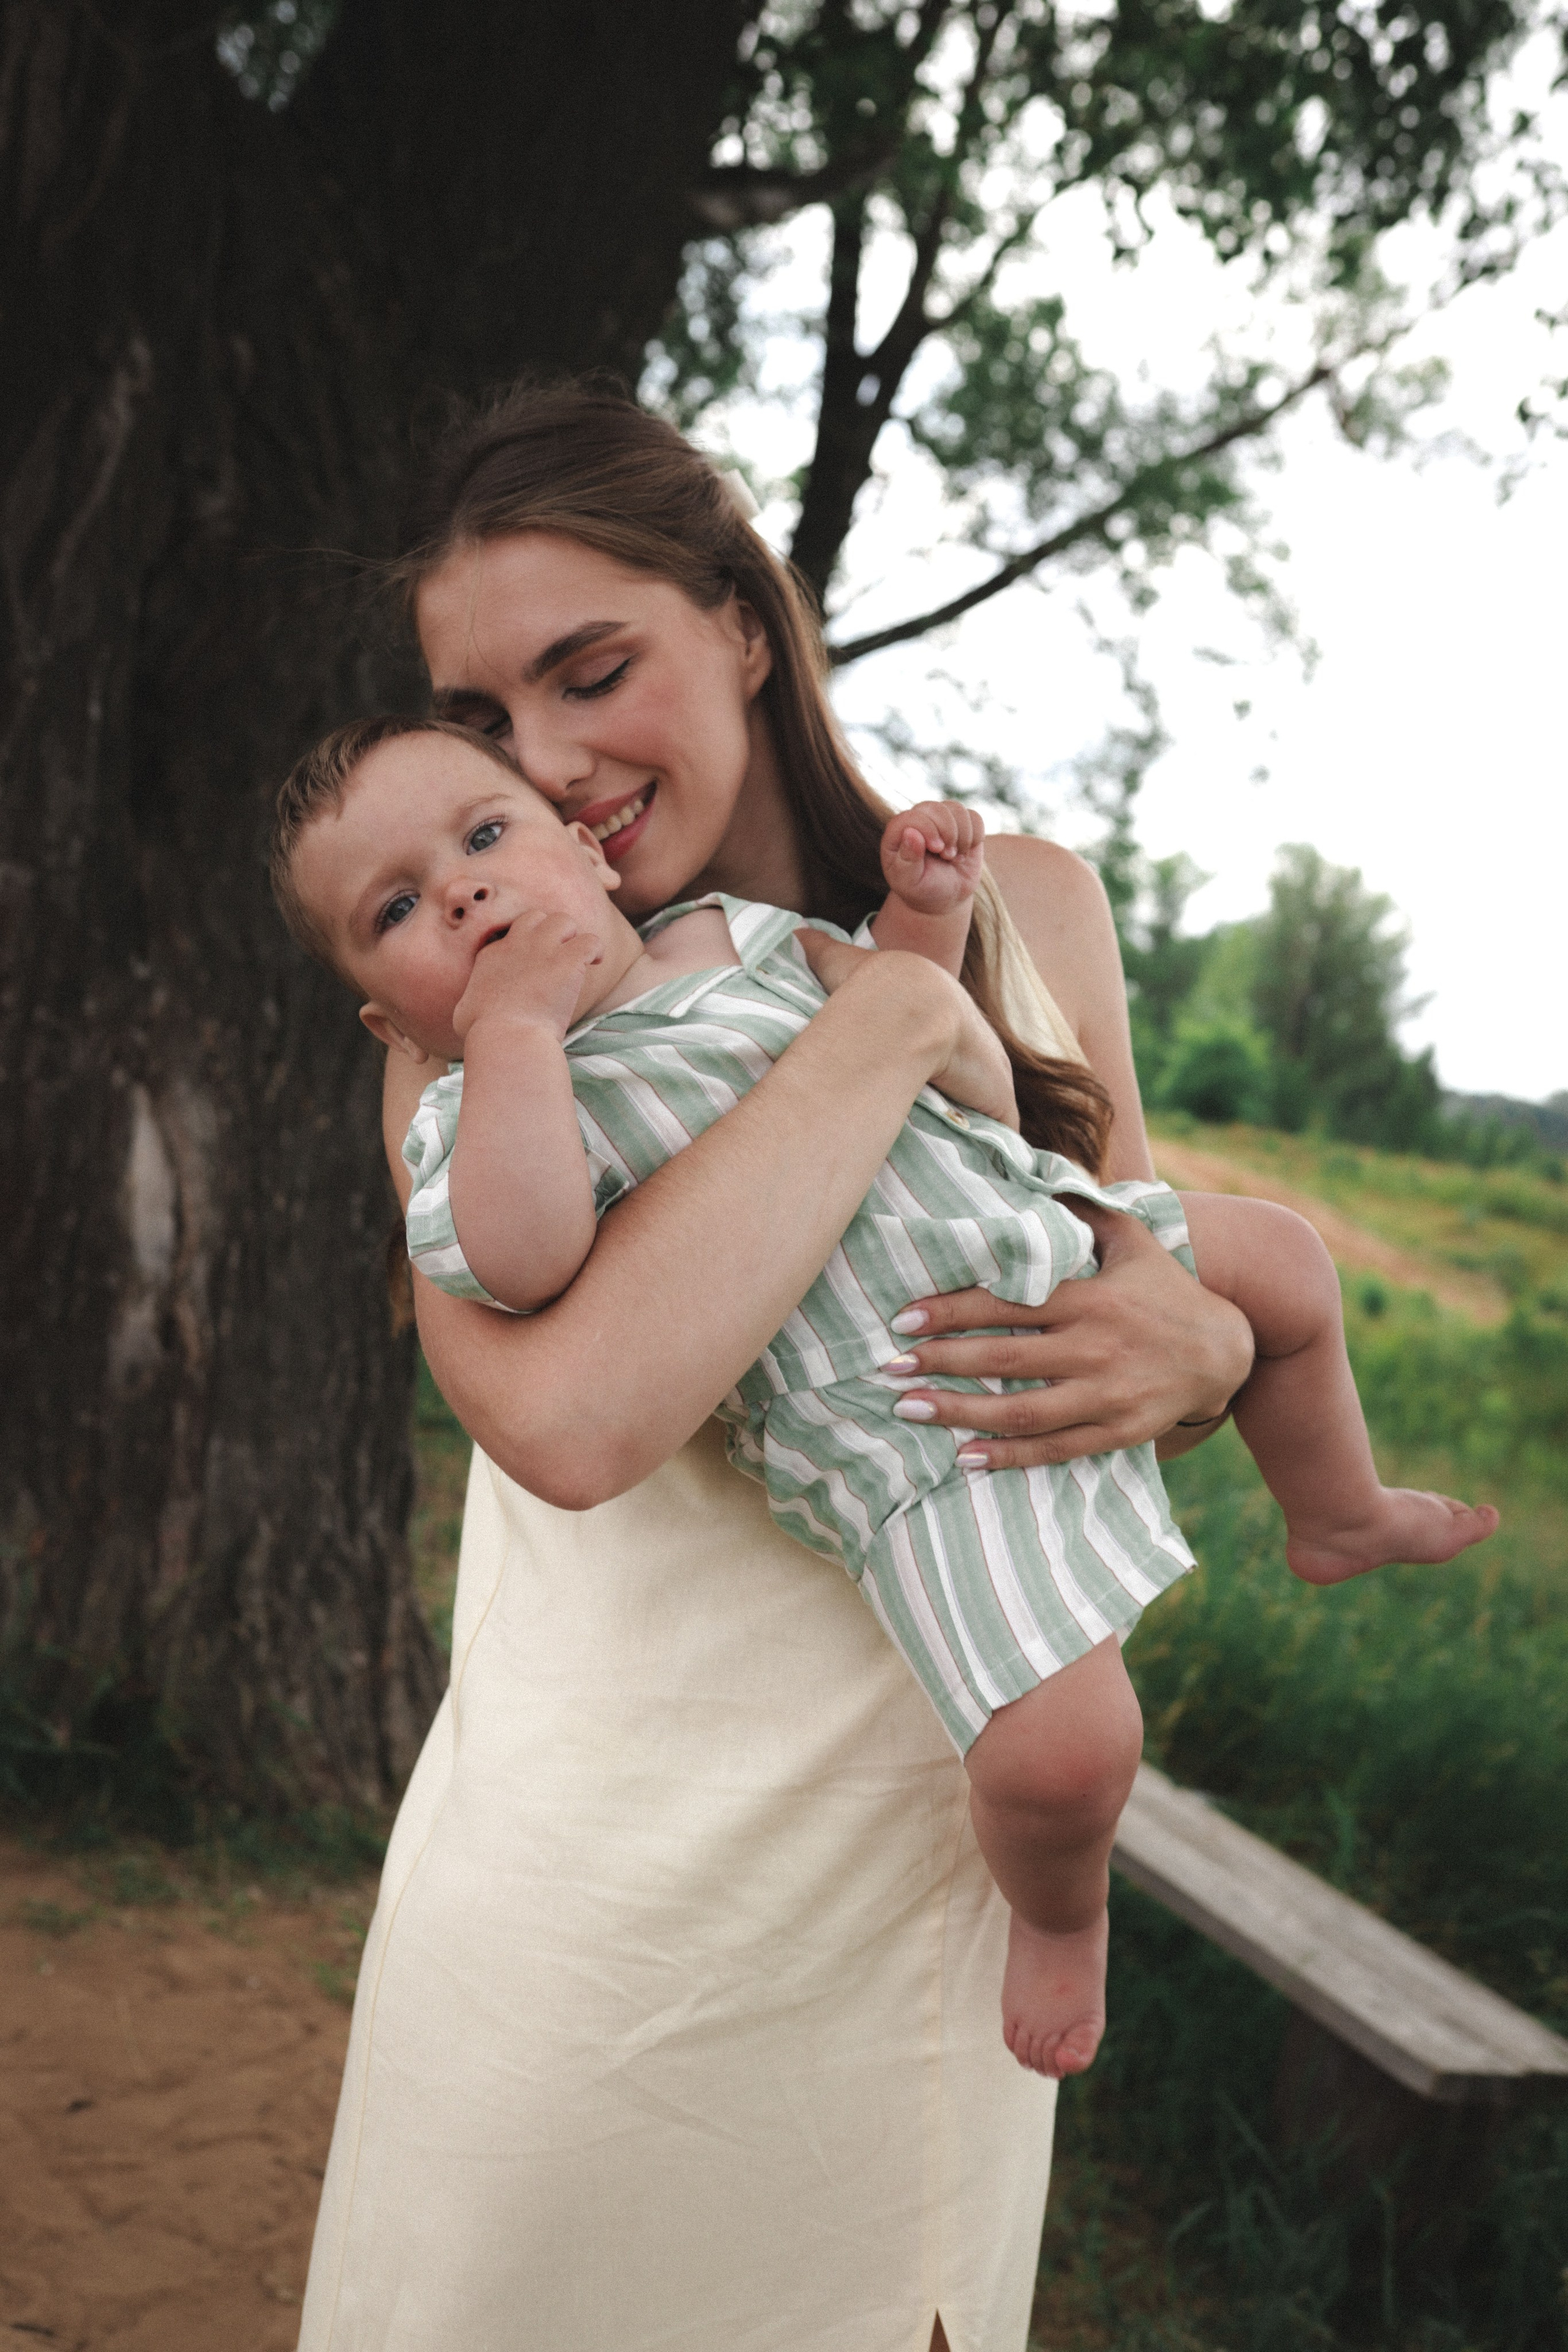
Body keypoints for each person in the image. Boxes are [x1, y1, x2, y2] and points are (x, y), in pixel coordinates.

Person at [296, 382, 1264, 2352]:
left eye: (593, 673)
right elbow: (572, 1422)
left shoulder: (1034, 905)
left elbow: (1107, 1276)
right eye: (481, 735)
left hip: (922, 1905)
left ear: (743, 619)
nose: (548, 776)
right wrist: (886, 1029)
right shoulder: (477, 1033)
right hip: (583, 1934)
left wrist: (1218, 1338)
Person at [274, 715, 1497, 2086]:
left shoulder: (737, 937)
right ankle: (1059, 1913)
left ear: (584, 849)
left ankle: (1333, 1509)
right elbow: (525, 1253)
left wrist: (925, 916)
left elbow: (902, 1027)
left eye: (486, 835)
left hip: (1042, 1233)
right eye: (398, 908)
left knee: (1284, 1258)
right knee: (1070, 1750)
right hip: (913, 1402)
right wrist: (512, 1039)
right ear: (390, 1017)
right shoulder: (478, 1112)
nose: (461, 889)